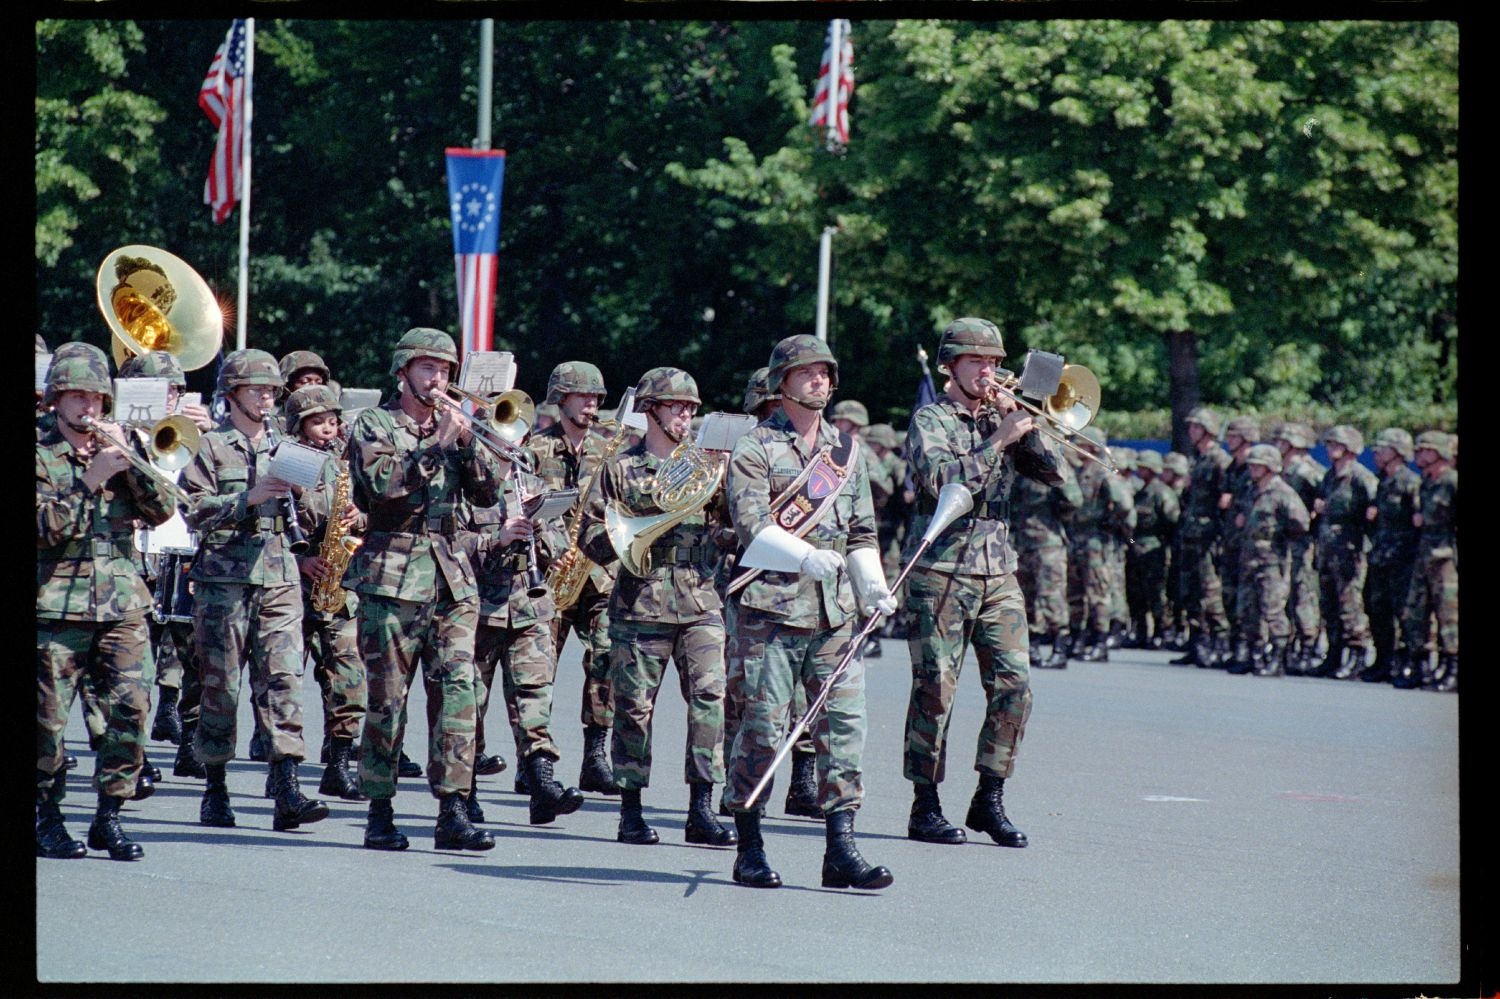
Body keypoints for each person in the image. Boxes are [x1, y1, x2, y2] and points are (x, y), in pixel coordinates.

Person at [722, 334, 896, 890]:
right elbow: (751, 528)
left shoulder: (847, 453)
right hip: (769, 613)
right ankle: (749, 845)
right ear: (782, 383)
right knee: (763, 730)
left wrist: (872, 584)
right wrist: (805, 556)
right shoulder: (755, 448)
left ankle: (841, 849)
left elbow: (862, 531)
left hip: (834, 615)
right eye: (807, 372)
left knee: (844, 729)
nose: (819, 379)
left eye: (825, 372)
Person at [902, 317, 1065, 850]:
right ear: (951, 365)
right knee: (936, 691)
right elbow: (943, 481)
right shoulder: (932, 419)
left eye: (995, 362)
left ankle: (989, 796)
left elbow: (1054, 473)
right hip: (941, 571)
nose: (989, 371)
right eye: (977, 362)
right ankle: (925, 805)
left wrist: (1027, 426)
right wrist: (998, 438)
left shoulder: (1006, 412)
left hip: (998, 570)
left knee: (1016, 686)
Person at [344, 328, 501, 851]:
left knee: (460, 692)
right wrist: (435, 444)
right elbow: (383, 486)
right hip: (391, 574)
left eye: (445, 371)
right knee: (389, 699)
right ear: (403, 371)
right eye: (429, 369)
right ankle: (380, 808)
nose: (439, 380)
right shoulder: (375, 423)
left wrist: (470, 442)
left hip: (451, 577)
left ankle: (453, 809)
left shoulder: (454, 425)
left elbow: (487, 493)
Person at [574, 366, 737, 847]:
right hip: (640, 601)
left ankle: (702, 808)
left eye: (691, 408)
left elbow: (734, 531)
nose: (686, 415)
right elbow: (589, 536)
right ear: (651, 410)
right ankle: (630, 810)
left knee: (710, 702)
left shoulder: (708, 466)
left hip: (701, 598)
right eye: (676, 407)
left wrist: (730, 485)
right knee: (634, 709)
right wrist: (639, 527)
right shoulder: (620, 469)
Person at [178, 349, 329, 834]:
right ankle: (215, 786)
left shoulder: (289, 445)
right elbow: (191, 511)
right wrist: (248, 498)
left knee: (285, 679)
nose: (267, 397)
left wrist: (309, 496)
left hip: (280, 578)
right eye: (257, 389)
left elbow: (319, 508)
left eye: (271, 390)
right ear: (233, 394)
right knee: (221, 686)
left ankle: (287, 786)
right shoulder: (210, 447)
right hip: (224, 583)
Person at [37, 344, 174, 860]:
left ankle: (108, 816)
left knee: (130, 711)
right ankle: (47, 817)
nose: (87, 406)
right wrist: (89, 482)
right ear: (55, 399)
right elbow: (43, 529)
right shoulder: (40, 453)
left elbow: (162, 512)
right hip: (55, 605)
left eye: (95, 396)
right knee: (47, 722)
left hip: (121, 602)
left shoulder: (119, 449)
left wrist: (133, 461)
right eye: (75, 395)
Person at [461, 431, 585, 827]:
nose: (509, 445)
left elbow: (560, 540)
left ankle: (542, 783)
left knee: (535, 697)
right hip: (477, 607)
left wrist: (541, 531)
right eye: (500, 437)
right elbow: (448, 542)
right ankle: (465, 795)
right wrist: (496, 539)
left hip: (528, 604)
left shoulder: (530, 481)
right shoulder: (463, 484)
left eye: (516, 437)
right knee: (468, 707)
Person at [719, 366, 820, 821]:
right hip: (751, 584)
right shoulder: (741, 449)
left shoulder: (819, 453)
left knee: (805, 699)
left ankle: (803, 782)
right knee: (747, 699)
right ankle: (737, 789)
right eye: (768, 409)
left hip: (807, 589)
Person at [526, 361, 618, 796]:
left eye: (598, 398)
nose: (592, 405)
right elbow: (524, 504)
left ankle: (596, 756)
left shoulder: (610, 451)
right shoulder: (532, 448)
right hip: (550, 574)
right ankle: (536, 761)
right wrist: (555, 546)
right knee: (538, 673)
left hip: (598, 575)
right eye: (584, 397)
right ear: (560, 398)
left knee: (607, 660)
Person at [283, 384, 368, 801]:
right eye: (318, 422)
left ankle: (338, 763)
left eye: (332, 421)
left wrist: (359, 515)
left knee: (349, 675)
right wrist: (300, 562)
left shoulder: (344, 462)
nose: (328, 429)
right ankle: (285, 773)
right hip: (294, 581)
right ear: (299, 425)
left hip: (338, 581)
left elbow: (371, 511)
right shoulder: (292, 461)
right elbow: (283, 521)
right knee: (285, 681)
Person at [1227, 445, 1310, 676]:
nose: (1253, 469)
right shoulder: (1251, 492)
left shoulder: (1283, 492)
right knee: (1248, 609)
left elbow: (1301, 522)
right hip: (1249, 559)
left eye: (1258, 465)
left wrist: (1279, 534)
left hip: (1272, 561)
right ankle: (1256, 653)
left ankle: (1278, 658)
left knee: (1273, 610)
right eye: (1252, 465)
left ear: (1271, 467)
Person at [1310, 425, 1378, 679]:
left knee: (1350, 603)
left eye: (1336, 444)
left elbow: (1375, 508)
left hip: (1349, 549)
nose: (1330, 449)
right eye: (1329, 444)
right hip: (1328, 549)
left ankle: (1357, 654)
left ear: (1350, 448)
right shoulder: (1329, 476)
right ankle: (1334, 654)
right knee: (1329, 604)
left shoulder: (1361, 477)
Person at [1011, 439, 1082, 669]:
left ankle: (1060, 647)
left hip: (1048, 544)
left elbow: (1074, 499)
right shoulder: (1018, 466)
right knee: (1026, 597)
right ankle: (1031, 647)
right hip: (1022, 542)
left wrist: (1057, 511)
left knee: (1052, 596)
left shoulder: (1052, 465)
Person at [1067, 427, 1135, 662]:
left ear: (1092, 446)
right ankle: (1076, 638)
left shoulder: (1103, 472)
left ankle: (1100, 640)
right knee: (1075, 592)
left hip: (1097, 540)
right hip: (1078, 538)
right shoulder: (1079, 470)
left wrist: (1112, 523)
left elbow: (1124, 504)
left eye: (1081, 443)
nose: (1076, 447)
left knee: (1098, 593)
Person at [1172, 407, 1233, 667]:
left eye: (1196, 427)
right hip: (1191, 534)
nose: (1191, 431)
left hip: (1208, 536)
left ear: (1208, 430)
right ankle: (1197, 642)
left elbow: (1226, 498)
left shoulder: (1219, 459)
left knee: (1210, 591)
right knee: (1190, 590)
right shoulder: (1196, 459)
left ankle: (1219, 643)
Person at [1398, 431, 1458, 691]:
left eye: (1427, 450)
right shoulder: (1426, 482)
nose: (1420, 455)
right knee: (1416, 612)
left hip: (1446, 557)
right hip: (1424, 556)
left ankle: (1452, 667)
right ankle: (1421, 664)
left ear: (1440, 453)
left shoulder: (1451, 482)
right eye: (1419, 450)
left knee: (1449, 615)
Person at [1362, 429, 1421, 684]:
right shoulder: (1381, 481)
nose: (1378, 453)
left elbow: (1419, 522)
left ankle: (1408, 660)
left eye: (1383, 449)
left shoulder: (1410, 482)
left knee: (1404, 611)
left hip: (1402, 558)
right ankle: (1383, 660)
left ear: (1397, 452)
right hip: (1380, 556)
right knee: (1377, 609)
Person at [1269, 423, 1325, 675]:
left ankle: (1309, 645)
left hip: (1303, 540)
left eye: (1282, 442)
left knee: (1303, 592)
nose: (1277, 445)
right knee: (1288, 592)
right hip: (1286, 539)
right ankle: (1293, 644)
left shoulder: (1307, 472)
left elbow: (1323, 502)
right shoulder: (1285, 469)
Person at [1216, 417, 1260, 671]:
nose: (1229, 441)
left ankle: (1248, 649)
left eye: (1234, 437)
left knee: (1249, 600)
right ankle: (1236, 647)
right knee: (1231, 596)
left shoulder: (1254, 469)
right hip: (1232, 541)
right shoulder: (1233, 468)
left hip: (1251, 545)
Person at [1127, 451, 1180, 649]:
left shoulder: (1162, 493)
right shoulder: (1141, 493)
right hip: (1136, 548)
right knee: (1137, 593)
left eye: (1143, 467)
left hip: (1155, 550)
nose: (1139, 470)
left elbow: (1172, 521)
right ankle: (1140, 632)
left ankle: (1161, 632)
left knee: (1157, 594)